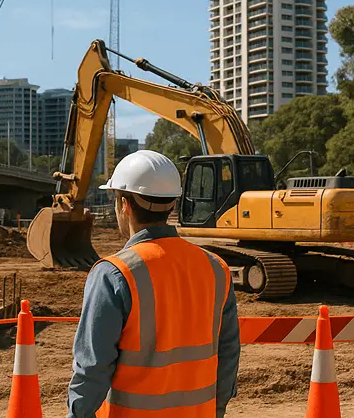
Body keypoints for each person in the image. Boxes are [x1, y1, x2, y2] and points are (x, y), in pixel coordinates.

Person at [67, 150, 240, 417]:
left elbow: (92, 368)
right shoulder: (216, 268)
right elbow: (228, 355)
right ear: (171, 204)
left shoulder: (115, 273)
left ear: (124, 205)